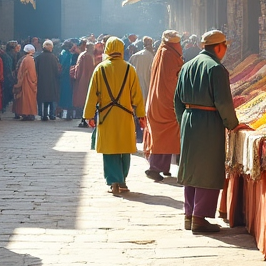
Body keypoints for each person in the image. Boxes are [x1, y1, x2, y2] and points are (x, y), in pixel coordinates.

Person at [174, 30, 239, 235]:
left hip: (189, 119)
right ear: (219, 47)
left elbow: (177, 101)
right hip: (209, 122)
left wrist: (184, 121)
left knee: (191, 168)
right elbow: (223, 102)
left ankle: (189, 214)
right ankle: (200, 217)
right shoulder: (216, 69)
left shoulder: (186, 66)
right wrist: (232, 124)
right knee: (207, 169)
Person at [83, 37, 145, 196]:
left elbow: (92, 95)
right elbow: (137, 95)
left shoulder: (100, 69)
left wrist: (89, 115)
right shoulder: (129, 69)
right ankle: (122, 180)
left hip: (107, 116)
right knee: (124, 148)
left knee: (110, 149)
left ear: (107, 49)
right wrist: (141, 115)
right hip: (125, 115)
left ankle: (113, 181)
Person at [144, 30, 184, 182]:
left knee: (164, 135)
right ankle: (154, 167)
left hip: (157, 100)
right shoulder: (168, 55)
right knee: (165, 135)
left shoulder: (162, 52)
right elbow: (171, 81)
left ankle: (164, 167)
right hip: (166, 101)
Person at [71, 39, 96, 127]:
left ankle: (83, 119)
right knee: (85, 100)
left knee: (82, 100)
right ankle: (84, 119)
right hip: (87, 81)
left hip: (80, 80)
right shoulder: (88, 56)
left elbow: (78, 69)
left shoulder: (82, 55)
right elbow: (90, 70)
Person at [35, 39, 62, 121]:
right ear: (51, 48)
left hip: (41, 81)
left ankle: (43, 114)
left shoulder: (38, 57)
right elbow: (57, 70)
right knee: (51, 99)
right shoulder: (54, 58)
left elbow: (35, 69)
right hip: (52, 81)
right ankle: (52, 114)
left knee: (43, 99)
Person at [15, 44, 38, 120]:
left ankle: (25, 113)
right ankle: (29, 113)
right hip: (29, 82)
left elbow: (20, 72)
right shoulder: (30, 59)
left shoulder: (24, 59)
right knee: (29, 99)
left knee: (25, 99)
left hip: (25, 81)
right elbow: (32, 73)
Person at [59, 40, 78, 119]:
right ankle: (69, 114)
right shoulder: (69, 55)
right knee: (69, 95)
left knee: (62, 95)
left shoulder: (62, 53)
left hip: (62, 77)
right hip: (68, 77)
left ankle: (60, 113)